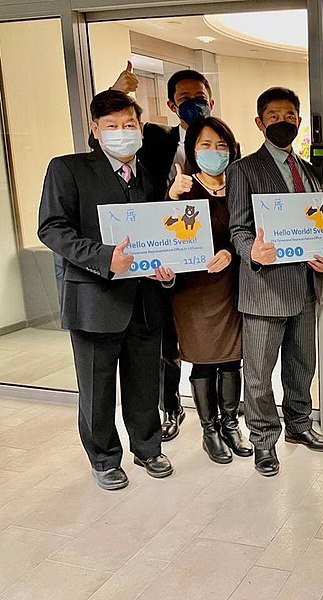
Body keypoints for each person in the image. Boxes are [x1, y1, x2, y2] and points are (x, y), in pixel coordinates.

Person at [37, 90, 174, 490]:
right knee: (97, 389)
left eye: (129, 124)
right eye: (111, 126)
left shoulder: (153, 175)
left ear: (140, 128)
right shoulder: (68, 169)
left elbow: (163, 235)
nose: (121, 132)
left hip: (146, 300)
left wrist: (167, 271)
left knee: (144, 383)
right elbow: (52, 228)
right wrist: (104, 257)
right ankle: (104, 457)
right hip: (94, 300)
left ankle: (148, 448)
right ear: (95, 130)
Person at [228, 87, 323, 477]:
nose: (283, 122)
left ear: (299, 122)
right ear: (260, 123)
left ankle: (299, 424)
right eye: (274, 116)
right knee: (259, 374)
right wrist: (252, 253)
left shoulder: (309, 171)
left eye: (290, 116)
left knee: (302, 365)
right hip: (265, 289)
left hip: (307, 285)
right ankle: (262, 440)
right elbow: (238, 229)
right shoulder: (243, 169)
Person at [111, 64, 216, 442]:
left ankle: (218, 413)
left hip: (209, 262)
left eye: (200, 97)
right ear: (172, 104)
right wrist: (119, 91)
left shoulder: (222, 142)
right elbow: (107, 137)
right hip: (165, 256)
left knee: (210, 336)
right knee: (165, 341)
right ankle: (171, 406)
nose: (194, 104)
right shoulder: (155, 140)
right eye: (185, 98)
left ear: (211, 100)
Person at [162, 116, 252, 464]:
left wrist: (230, 252)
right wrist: (171, 197)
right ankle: (209, 430)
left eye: (221, 145)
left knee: (232, 358)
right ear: (192, 149)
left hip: (232, 288)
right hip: (193, 292)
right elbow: (162, 234)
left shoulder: (239, 186)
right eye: (206, 145)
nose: (214, 152)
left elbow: (249, 232)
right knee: (202, 360)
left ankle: (231, 424)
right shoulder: (183, 186)